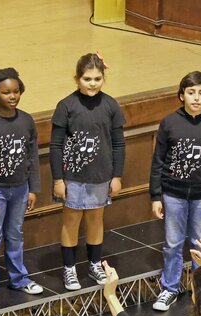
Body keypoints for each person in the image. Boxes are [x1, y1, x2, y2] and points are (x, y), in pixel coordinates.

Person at [149, 71, 201, 311]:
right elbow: (158, 161)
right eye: (191, 92)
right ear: (181, 95)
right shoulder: (169, 123)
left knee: (199, 244)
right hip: (173, 194)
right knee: (172, 243)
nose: (196, 98)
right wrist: (156, 196)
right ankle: (169, 288)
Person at [50, 52, 125, 290]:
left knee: (95, 220)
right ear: (77, 79)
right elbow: (56, 146)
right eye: (87, 79)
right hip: (72, 177)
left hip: (100, 176)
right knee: (71, 221)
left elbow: (118, 144)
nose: (92, 84)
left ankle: (94, 264)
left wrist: (117, 176)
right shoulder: (66, 106)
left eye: (97, 79)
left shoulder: (110, 105)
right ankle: (69, 268)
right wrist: (58, 179)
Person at [0, 67, 43, 305]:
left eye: (16, 91)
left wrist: (33, 188)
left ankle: (19, 278)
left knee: (15, 234)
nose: (12, 96)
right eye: (6, 92)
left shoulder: (26, 120)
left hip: (21, 189)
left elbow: (32, 156)